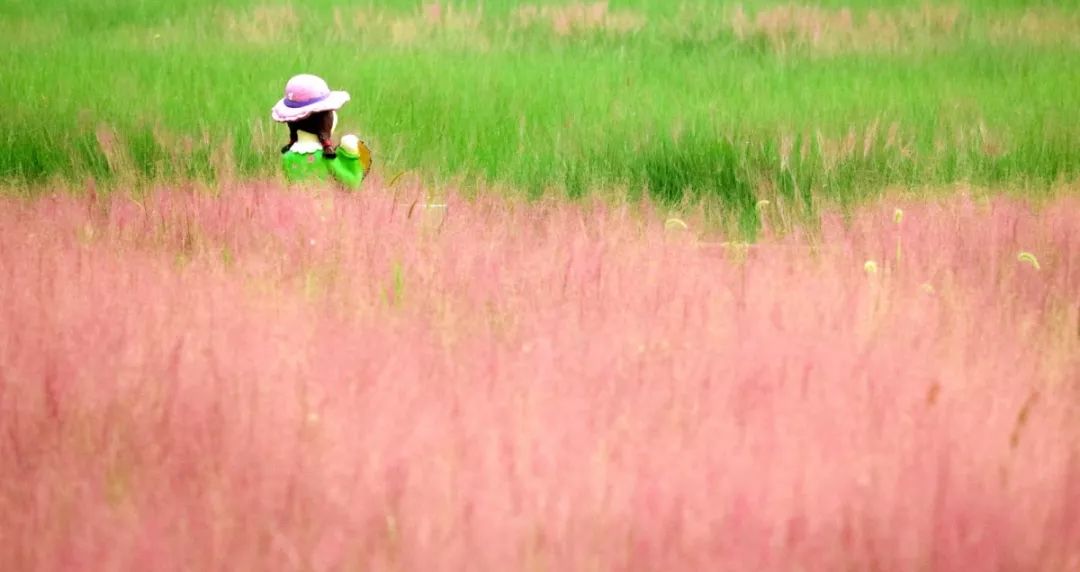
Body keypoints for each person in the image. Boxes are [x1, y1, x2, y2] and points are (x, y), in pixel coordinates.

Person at [270, 74, 372, 190]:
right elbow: (352, 183)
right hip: (324, 207)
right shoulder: (325, 158)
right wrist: (350, 153)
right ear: (324, 123)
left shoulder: (287, 157)